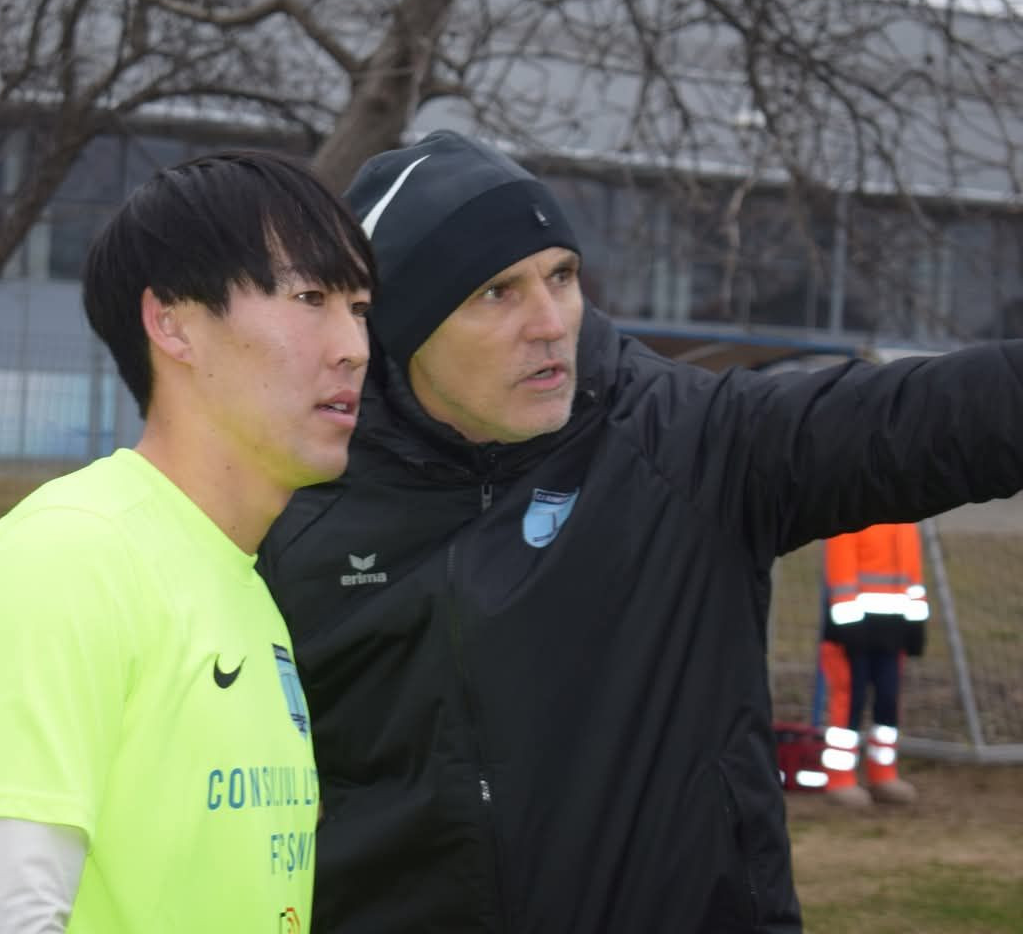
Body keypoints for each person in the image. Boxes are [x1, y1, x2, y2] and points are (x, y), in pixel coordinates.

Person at [257, 129, 1023, 933]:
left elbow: (931, 418)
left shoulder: (689, 447)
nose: (550, 322)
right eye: (496, 293)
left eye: (561, 276)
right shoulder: (296, 502)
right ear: (402, 327)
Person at [0, 151, 376, 933]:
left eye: (361, 308)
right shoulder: (71, 556)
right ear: (173, 323)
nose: (353, 346)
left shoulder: (246, 586)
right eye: (311, 298)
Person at [819, 521, 929, 807]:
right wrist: (848, 625)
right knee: (849, 703)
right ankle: (840, 778)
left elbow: (912, 574)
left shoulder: (906, 522)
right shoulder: (850, 515)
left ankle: (883, 774)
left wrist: (915, 623)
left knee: (888, 703)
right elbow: (840, 573)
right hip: (852, 631)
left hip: (893, 631)